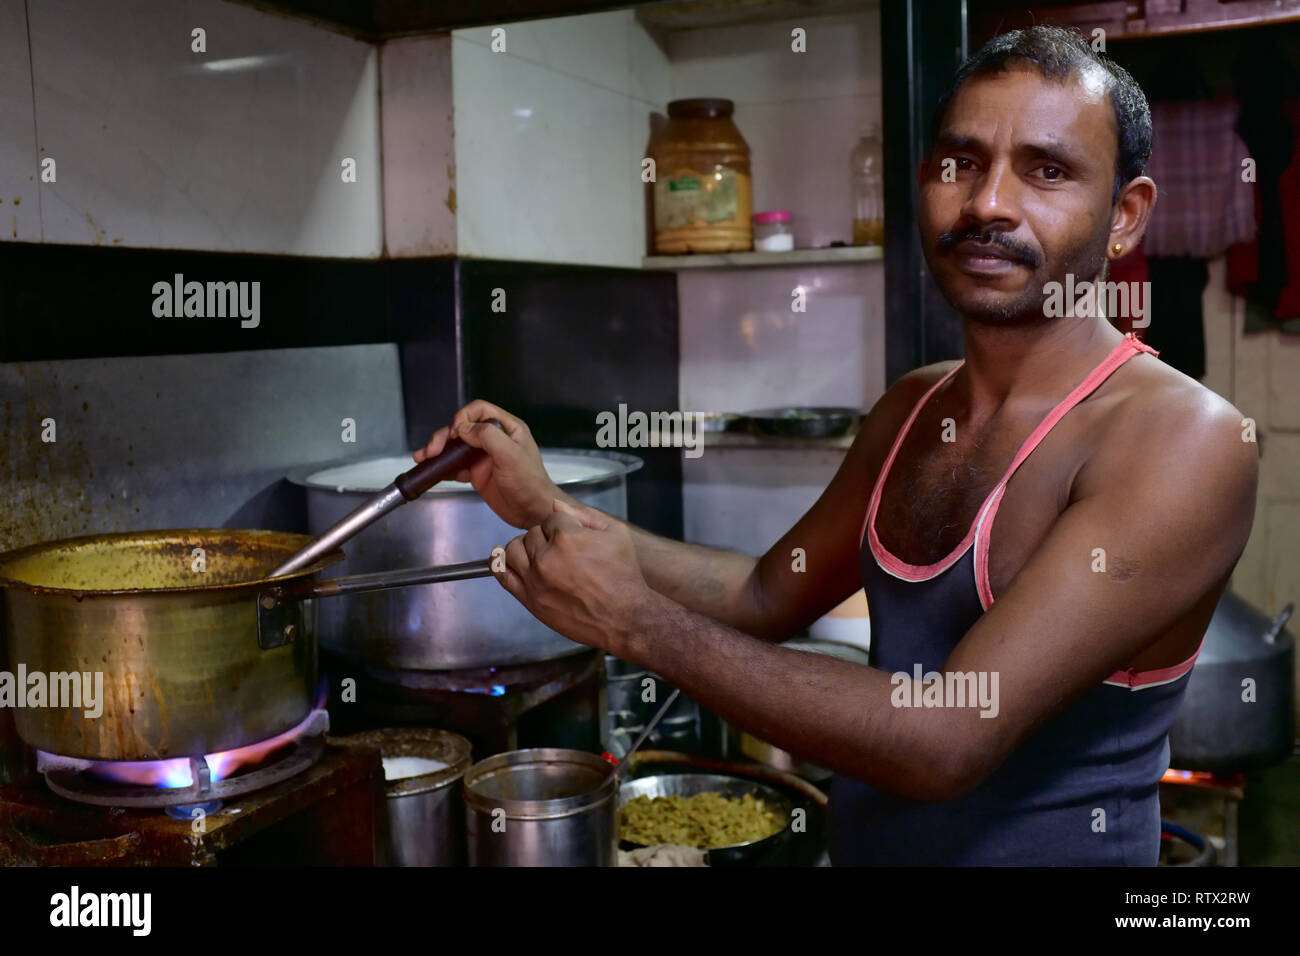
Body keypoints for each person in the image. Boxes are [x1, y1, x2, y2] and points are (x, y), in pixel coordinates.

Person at [414, 26, 1258, 865]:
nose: (988, 203)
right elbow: (761, 595)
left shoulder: (1183, 441)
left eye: (1047, 170)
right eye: (960, 162)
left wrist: (636, 625)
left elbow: (948, 738)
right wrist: (545, 506)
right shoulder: (910, 407)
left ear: (1125, 217)